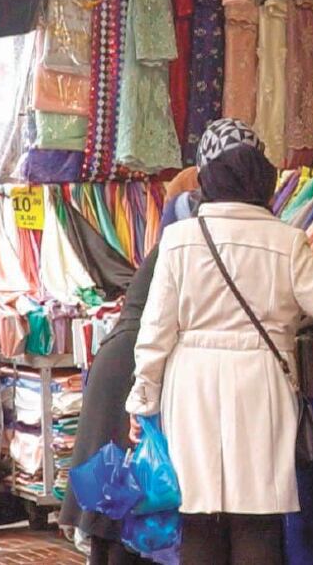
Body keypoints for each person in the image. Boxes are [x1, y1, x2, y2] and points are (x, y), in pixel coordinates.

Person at [126, 119, 313, 565]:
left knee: (199, 514)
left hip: (192, 387)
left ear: (206, 176)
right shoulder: (285, 240)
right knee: (258, 516)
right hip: (260, 383)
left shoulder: (179, 240)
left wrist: (143, 399)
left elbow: (156, 330)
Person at [60, 173, 200, 565]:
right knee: (132, 494)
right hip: (131, 366)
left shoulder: (169, 244)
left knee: (118, 498)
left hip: (120, 362)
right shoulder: (182, 247)